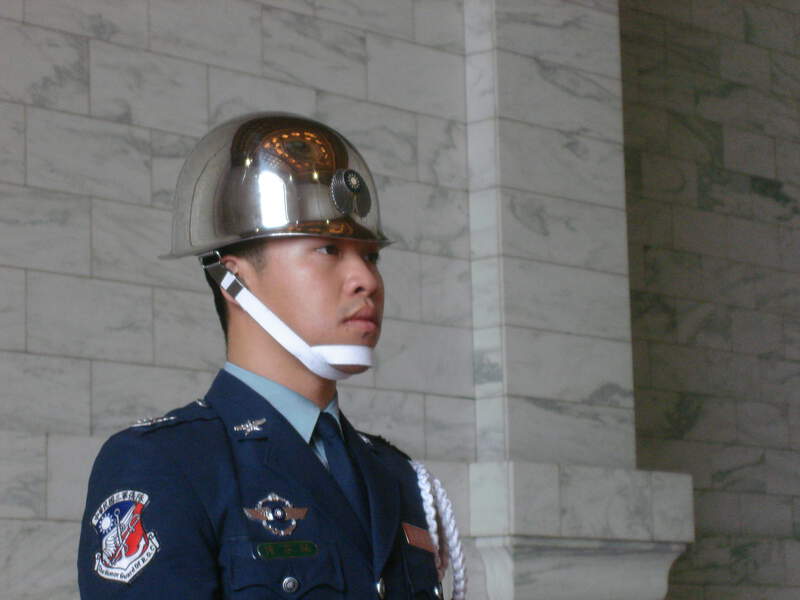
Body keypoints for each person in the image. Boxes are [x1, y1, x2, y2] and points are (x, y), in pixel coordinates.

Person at [77, 113, 465, 599]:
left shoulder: (398, 476)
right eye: (328, 250)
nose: (366, 280)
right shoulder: (166, 463)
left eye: (371, 256)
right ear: (234, 280)